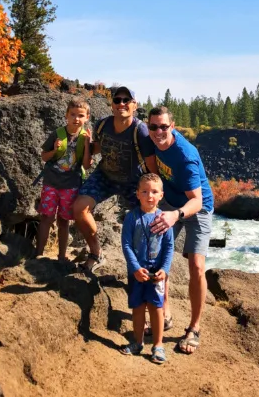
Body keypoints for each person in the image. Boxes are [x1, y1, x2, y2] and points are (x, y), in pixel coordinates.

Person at [148, 106, 214, 355]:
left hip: (197, 207)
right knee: (156, 256)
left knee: (196, 265)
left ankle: (194, 328)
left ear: (172, 126)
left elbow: (196, 201)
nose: (158, 131)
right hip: (169, 201)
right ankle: (164, 315)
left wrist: (176, 215)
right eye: (153, 126)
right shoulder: (150, 139)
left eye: (164, 126)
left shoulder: (185, 156)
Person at [73, 86, 157, 273]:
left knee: (144, 223)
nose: (121, 104)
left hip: (132, 181)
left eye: (126, 100)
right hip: (105, 176)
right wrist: (84, 144)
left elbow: (152, 165)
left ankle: (143, 266)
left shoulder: (140, 131)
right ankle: (96, 253)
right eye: (117, 100)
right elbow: (98, 148)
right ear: (111, 105)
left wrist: (158, 193)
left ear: (134, 105)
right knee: (79, 208)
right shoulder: (103, 124)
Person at [120, 173, 174, 364]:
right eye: (144, 191)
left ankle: (158, 345)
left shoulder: (165, 219)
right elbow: (126, 244)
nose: (149, 195)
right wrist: (134, 268)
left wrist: (165, 270)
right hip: (137, 273)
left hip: (156, 273)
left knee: (156, 308)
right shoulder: (131, 217)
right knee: (137, 308)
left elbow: (169, 247)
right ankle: (138, 342)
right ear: (137, 194)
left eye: (154, 191)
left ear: (161, 195)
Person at [36, 97, 92, 261]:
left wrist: (88, 144)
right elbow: (44, 157)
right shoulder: (57, 134)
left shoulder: (84, 138)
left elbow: (87, 166)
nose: (76, 119)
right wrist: (54, 150)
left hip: (71, 186)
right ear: (66, 115)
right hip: (51, 184)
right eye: (73, 114)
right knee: (46, 218)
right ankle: (38, 254)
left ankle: (61, 256)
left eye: (81, 115)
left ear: (87, 117)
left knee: (64, 221)